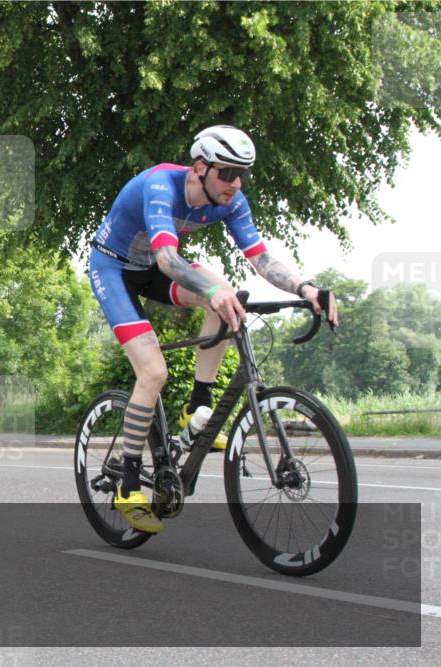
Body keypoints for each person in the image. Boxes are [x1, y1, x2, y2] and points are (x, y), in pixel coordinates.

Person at [88, 125, 339, 533]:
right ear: (200, 168)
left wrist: (305, 288)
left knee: (228, 299)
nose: (235, 183)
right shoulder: (161, 185)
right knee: (153, 371)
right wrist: (211, 290)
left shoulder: (232, 201)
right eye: (227, 173)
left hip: (151, 270)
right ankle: (129, 482)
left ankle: (196, 406)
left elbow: (262, 259)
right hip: (114, 268)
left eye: (243, 174)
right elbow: (169, 259)